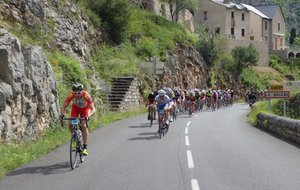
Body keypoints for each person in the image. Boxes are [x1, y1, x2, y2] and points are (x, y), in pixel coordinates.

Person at [60, 83, 96, 156]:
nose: (77, 94)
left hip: (85, 109)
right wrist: (62, 114)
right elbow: (64, 106)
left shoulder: (86, 95)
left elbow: (93, 109)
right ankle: (74, 137)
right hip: (75, 109)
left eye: (79, 92)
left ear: (82, 91)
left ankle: (85, 147)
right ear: (73, 92)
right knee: (70, 123)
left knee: (84, 126)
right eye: (75, 93)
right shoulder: (71, 95)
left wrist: (88, 116)